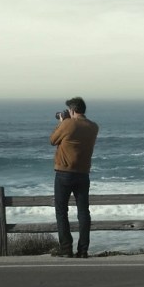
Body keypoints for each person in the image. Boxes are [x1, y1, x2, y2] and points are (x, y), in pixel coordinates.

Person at [49, 97, 99, 258]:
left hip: (64, 173)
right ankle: (83, 250)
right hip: (83, 174)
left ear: (72, 110)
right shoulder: (93, 126)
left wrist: (62, 121)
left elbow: (53, 140)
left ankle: (66, 249)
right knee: (83, 212)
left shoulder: (67, 124)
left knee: (61, 211)